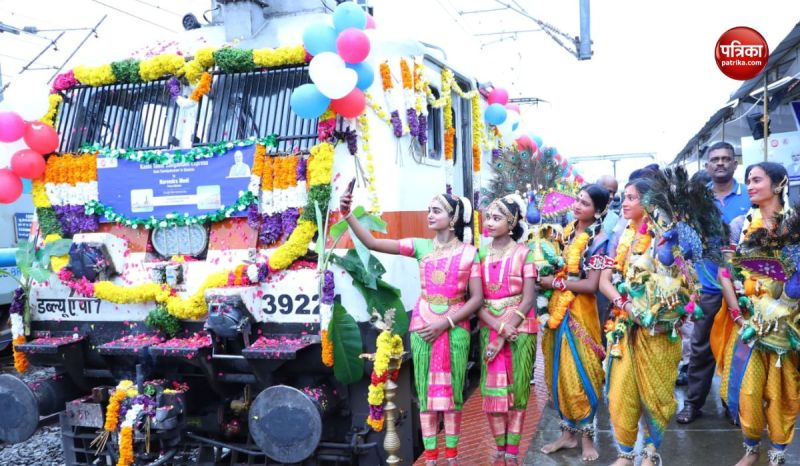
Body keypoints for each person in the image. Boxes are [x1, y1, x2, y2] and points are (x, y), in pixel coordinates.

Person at [340, 191, 482, 466]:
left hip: (454, 329)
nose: (430, 215)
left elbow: (476, 299)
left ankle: (452, 458)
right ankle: (431, 459)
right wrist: (347, 215)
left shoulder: (469, 254)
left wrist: (445, 323)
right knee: (426, 396)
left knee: (453, 396)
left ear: (453, 218)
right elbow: (372, 243)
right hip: (423, 326)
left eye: (436, 211)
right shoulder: (419, 246)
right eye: (429, 209)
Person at [599, 175, 697, 466]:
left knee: (655, 395)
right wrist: (626, 305)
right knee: (621, 393)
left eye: (631, 197)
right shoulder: (622, 235)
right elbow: (605, 280)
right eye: (624, 197)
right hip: (624, 324)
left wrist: (664, 309)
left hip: (658, 331)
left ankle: (651, 453)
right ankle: (625, 453)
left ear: (650, 202)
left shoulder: (668, 236)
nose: (624, 202)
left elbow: (689, 284)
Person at [717, 162, 799, 466]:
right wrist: (738, 314)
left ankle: (777, 453)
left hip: (787, 326)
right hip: (750, 323)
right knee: (747, 392)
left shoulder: (795, 224)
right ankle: (751, 449)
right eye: (748, 180)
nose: (749, 186)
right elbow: (727, 272)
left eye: (756, 180)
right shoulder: (741, 224)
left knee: (782, 394)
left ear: (778, 184)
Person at [537, 184, 612, 462]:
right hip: (556, 309)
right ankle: (567, 435)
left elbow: (591, 285)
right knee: (558, 372)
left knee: (583, 373)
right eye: (578, 200)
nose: (578, 206)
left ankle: (587, 438)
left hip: (582, 312)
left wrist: (554, 283)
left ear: (599, 210)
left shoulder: (600, 241)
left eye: (586, 203)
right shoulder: (566, 232)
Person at [478, 193, 538, 466]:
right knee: (492, 395)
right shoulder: (480, 254)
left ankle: (512, 453)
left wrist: (506, 330)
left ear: (512, 223)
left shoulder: (524, 254)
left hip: (520, 328)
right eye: (488, 217)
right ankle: (500, 450)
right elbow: (475, 300)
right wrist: (498, 329)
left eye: (497, 218)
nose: (489, 222)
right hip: (490, 325)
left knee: (518, 394)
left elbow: (528, 298)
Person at [675, 164, 733, 423]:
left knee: (735, 350)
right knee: (700, 350)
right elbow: (678, 254)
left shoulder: (744, 204)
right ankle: (693, 403)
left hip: (741, 292)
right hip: (708, 293)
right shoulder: (687, 219)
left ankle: (733, 404)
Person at [705, 141, 750, 223]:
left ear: (735, 165)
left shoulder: (751, 193)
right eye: (714, 160)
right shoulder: (697, 197)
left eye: (726, 159)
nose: (720, 163)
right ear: (707, 167)